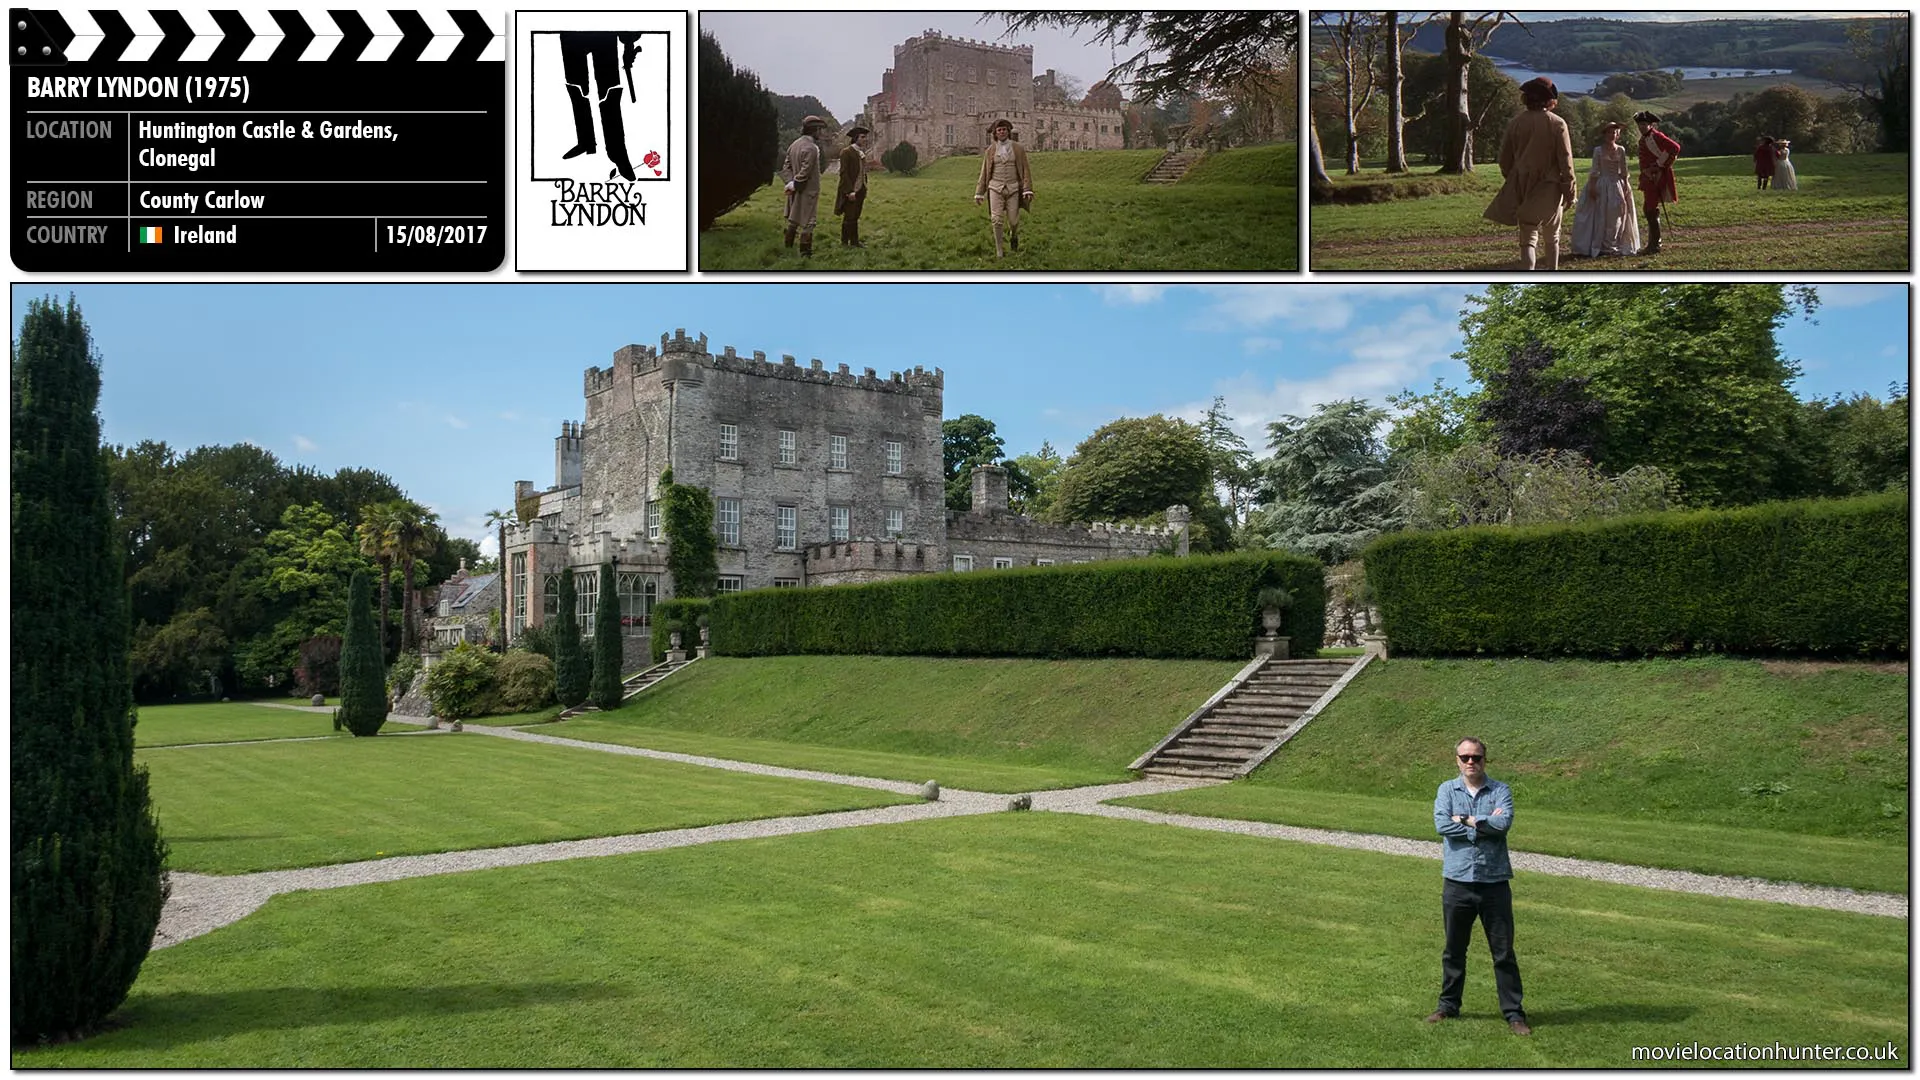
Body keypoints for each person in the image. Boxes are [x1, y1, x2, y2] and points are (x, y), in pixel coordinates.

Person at [1426, 737, 1530, 1036]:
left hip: (1494, 882)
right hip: (1457, 881)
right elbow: (1442, 825)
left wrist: (1467, 820)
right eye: (1465, 757)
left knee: (1503, 952)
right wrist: (1482, 827)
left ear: (1486, 759)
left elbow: (1504, 824)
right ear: (1456, 760)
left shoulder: (1501, 791)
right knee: (1454, 949)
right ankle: (1448, 1006)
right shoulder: (1447, 790)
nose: (1471, 762)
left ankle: (1514, 1013)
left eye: (1477, 757)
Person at [1483, 77, 1577, 271]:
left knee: (1527, 239)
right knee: (1552, 237)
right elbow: (1566, 161)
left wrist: (1515, 177)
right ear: (1549, 99)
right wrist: (1570, 191)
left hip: (1522, 185)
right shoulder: (1557, 123)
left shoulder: (1516, 123)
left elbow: (1504, 160)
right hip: (1550, 187)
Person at [558, 32, 642, 181]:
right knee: (576, 86)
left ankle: (617, 152)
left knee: (609, 91)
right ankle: (586, 141)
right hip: (570, 31)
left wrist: (628, 42)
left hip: (603, 31)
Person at [1570, 120, 1640, 257]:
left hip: (1617, 185)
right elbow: (1595, 170)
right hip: (1602, 184)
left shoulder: (1621, 150)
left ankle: (1612, 244)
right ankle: (1599, 244)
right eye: (1609, 132)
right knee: (1599, 215)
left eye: (1614, 132)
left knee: (1616, 215)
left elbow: (1624, 171)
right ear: (1604, 134)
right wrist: (1592, 187)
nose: (1611, 135)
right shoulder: (1598, 150)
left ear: (1618, 135)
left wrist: (1626, 187)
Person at [973, 118, 1033, 258]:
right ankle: (999, 250)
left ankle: (1013, 234)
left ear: (1008, 132)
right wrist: (979, 192)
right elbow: (985, 172)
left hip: (1013, 188)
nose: (1002, 132)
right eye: (999, 130)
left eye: (1004, 129)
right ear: (995, 133)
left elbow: (1025, 170)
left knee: (1013, 220)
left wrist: (1027, 188)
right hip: (995, 187)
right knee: (996, 219)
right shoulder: (990, 151)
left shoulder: (1018, 149)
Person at [1633, 111, 1680, 255]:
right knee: (1649, 208)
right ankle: (1654, 243)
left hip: (1656, 177)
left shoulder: (1656, 136)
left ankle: (1654, 245)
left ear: (1650, 125)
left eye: (1644, 124)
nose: (1641, 127)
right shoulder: (1644, 139)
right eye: (1640, 125)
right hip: (1648, 177)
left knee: (1650, 208)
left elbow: (1675, 148)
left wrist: (1659, 165)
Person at [781, 115, 827, 257]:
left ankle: (788, 247)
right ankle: (805, 254)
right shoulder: (812, 148)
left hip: (795, 188)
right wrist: (795, 183)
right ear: (814, 130)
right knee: (808, 222)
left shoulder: (794, 144)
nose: (821, 133)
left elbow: (785, 167)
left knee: (794, 218)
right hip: (808, 190)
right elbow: (806, 171)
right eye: (820, 130)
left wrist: (790, 183)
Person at [835, 125, 874, 248]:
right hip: (851, 190)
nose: (865, 139)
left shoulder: (860, 153)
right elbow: (844, 173)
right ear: (855, 138)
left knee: (855, 216)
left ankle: (855, 242)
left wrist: (864, 186)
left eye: (865, 137)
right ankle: (844, 242)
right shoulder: (846, 152)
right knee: (849, 216)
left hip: (860, 189)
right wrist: (849, 191)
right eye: (862, 137)